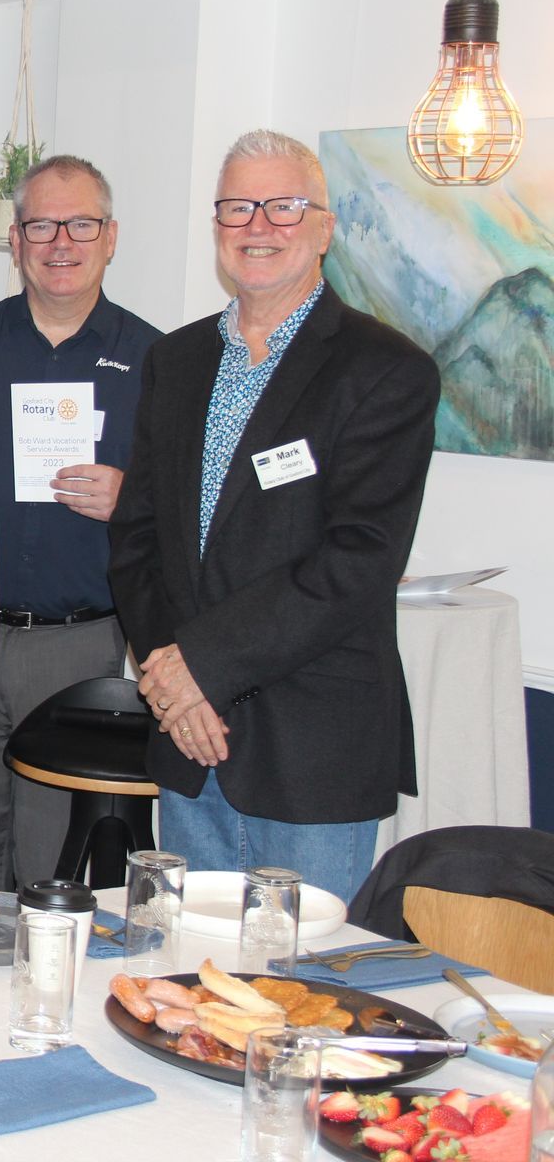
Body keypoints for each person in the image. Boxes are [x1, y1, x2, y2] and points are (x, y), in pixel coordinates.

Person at [109, 129, 440, 904]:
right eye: (236, 209)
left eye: (284, 207)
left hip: (312, 744)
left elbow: (358, 559)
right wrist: (171, 680)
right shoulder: (178, 361)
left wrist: (201, 670)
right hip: (189, 741)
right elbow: (138, 537)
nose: (258, 227)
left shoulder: (386, 370)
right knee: (192, 987)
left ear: (324, 227)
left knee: (298, 995)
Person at [0, 156, 163, 892]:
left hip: (83, 644)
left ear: (111, 236)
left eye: (81, 224)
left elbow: (186, 508)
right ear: (15, 237)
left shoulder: (156, 359)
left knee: (50, 859)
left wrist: (133, 496)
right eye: (41, 225)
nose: (61, 241)